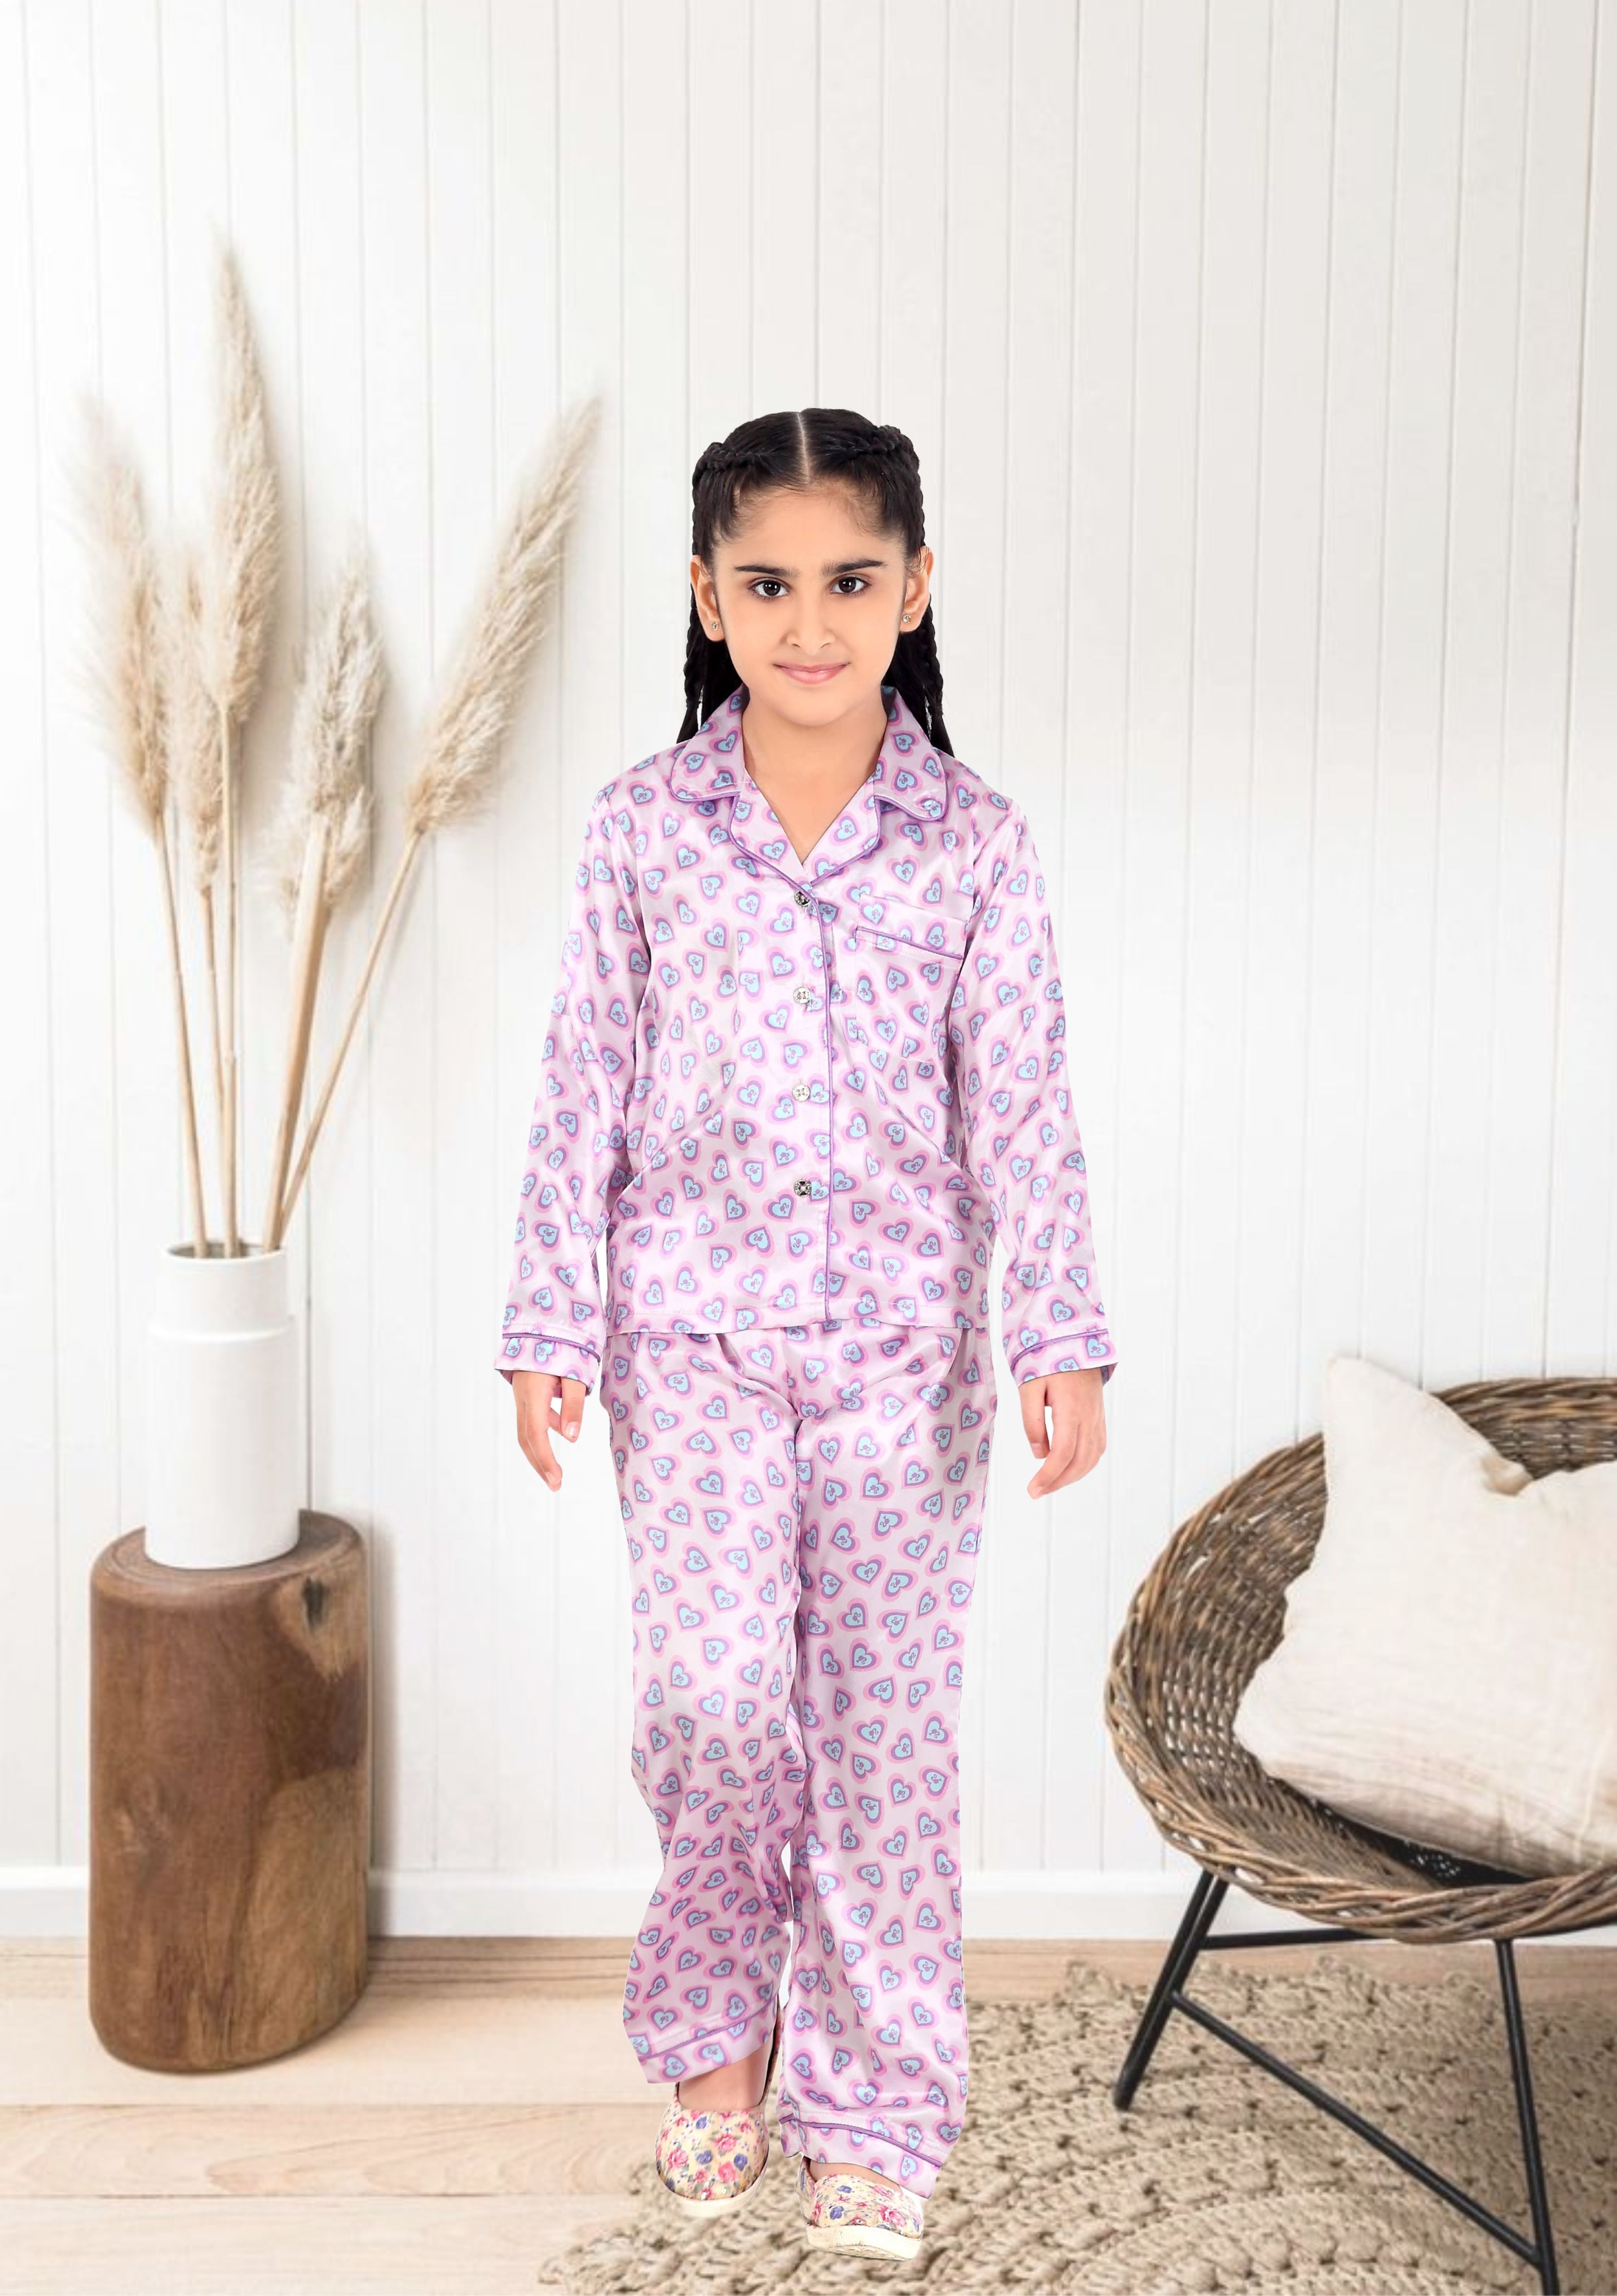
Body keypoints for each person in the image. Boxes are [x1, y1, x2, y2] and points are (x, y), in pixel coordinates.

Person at [496, 407, 1117, 2263]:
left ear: (916, 589)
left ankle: (875, 2108)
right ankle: (717, 2039)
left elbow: (1026, 1109)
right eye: (767, 585)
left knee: (881, 1744)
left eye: (850, 581)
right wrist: (549, 1321)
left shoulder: (976, 846)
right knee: (710, 1706)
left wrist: (1059, 1337)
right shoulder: (643, 830)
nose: (811, 622)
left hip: (901, 1364)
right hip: (687, 1342)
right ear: (707, 597)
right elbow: (581, 1089)